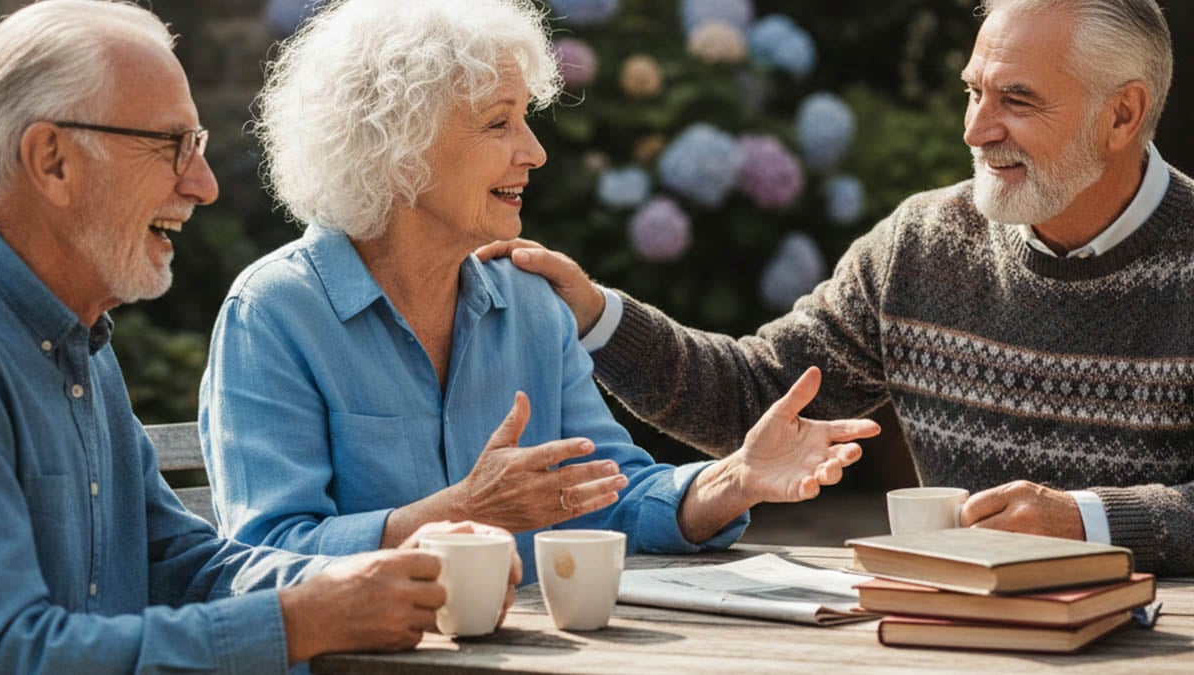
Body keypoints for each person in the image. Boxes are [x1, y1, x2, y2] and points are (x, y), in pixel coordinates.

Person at [480, 0, 1194, 576]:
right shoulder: (923, 242)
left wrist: (1088, 521)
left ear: (1122, 116)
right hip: (947, 634)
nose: (975, 129)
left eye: (1017, 99)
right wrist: (594, 313)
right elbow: (756, 399)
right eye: (973, 91)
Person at [199, 0, 880, 582]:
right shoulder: (276, 313)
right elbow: (266, 556)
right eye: (499, 123)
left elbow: (607, 493)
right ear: (395, 144)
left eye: (526, 117)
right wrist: (461, 511)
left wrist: (735, 478)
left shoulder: (527, 302)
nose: (534, 150)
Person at [0, 1, 519, 672]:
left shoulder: (79, 343)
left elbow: (178, 561)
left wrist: (368, 579)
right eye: (171, 146)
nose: (203, 184)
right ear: (53, 159)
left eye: (200, 149)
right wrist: (303, 619)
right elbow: (15, 653)